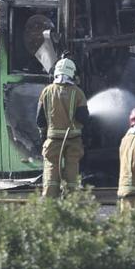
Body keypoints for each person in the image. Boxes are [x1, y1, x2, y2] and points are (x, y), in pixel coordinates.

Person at [36, 56, 89, 198]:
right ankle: (71, 200)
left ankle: (49, 201)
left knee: (52, 168)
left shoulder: (47, 91)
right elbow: (83, 118)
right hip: (73, 139)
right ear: (72, 73)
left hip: (52, 139)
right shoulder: (78, 93)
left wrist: (43, 134)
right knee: (72, 167)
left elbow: (40, 119)